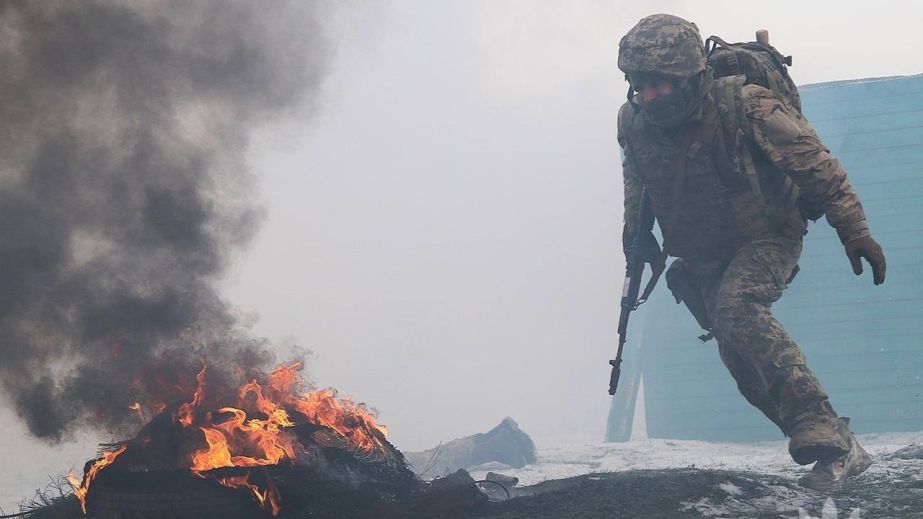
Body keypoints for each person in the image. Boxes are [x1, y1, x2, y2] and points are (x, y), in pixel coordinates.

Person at [616, 14, 886, 491]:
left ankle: (818, 427)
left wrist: (854, 231)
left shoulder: (746, 105)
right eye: (640, 86)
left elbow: (819, 167)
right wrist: (636, 237)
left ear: (687, 77)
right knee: (738, 353)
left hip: (767, 235)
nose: (649, 96)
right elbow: (638, 180)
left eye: (659, 84)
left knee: (737, 309)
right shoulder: (634, 122)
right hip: (703, 250)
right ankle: (838, 447)